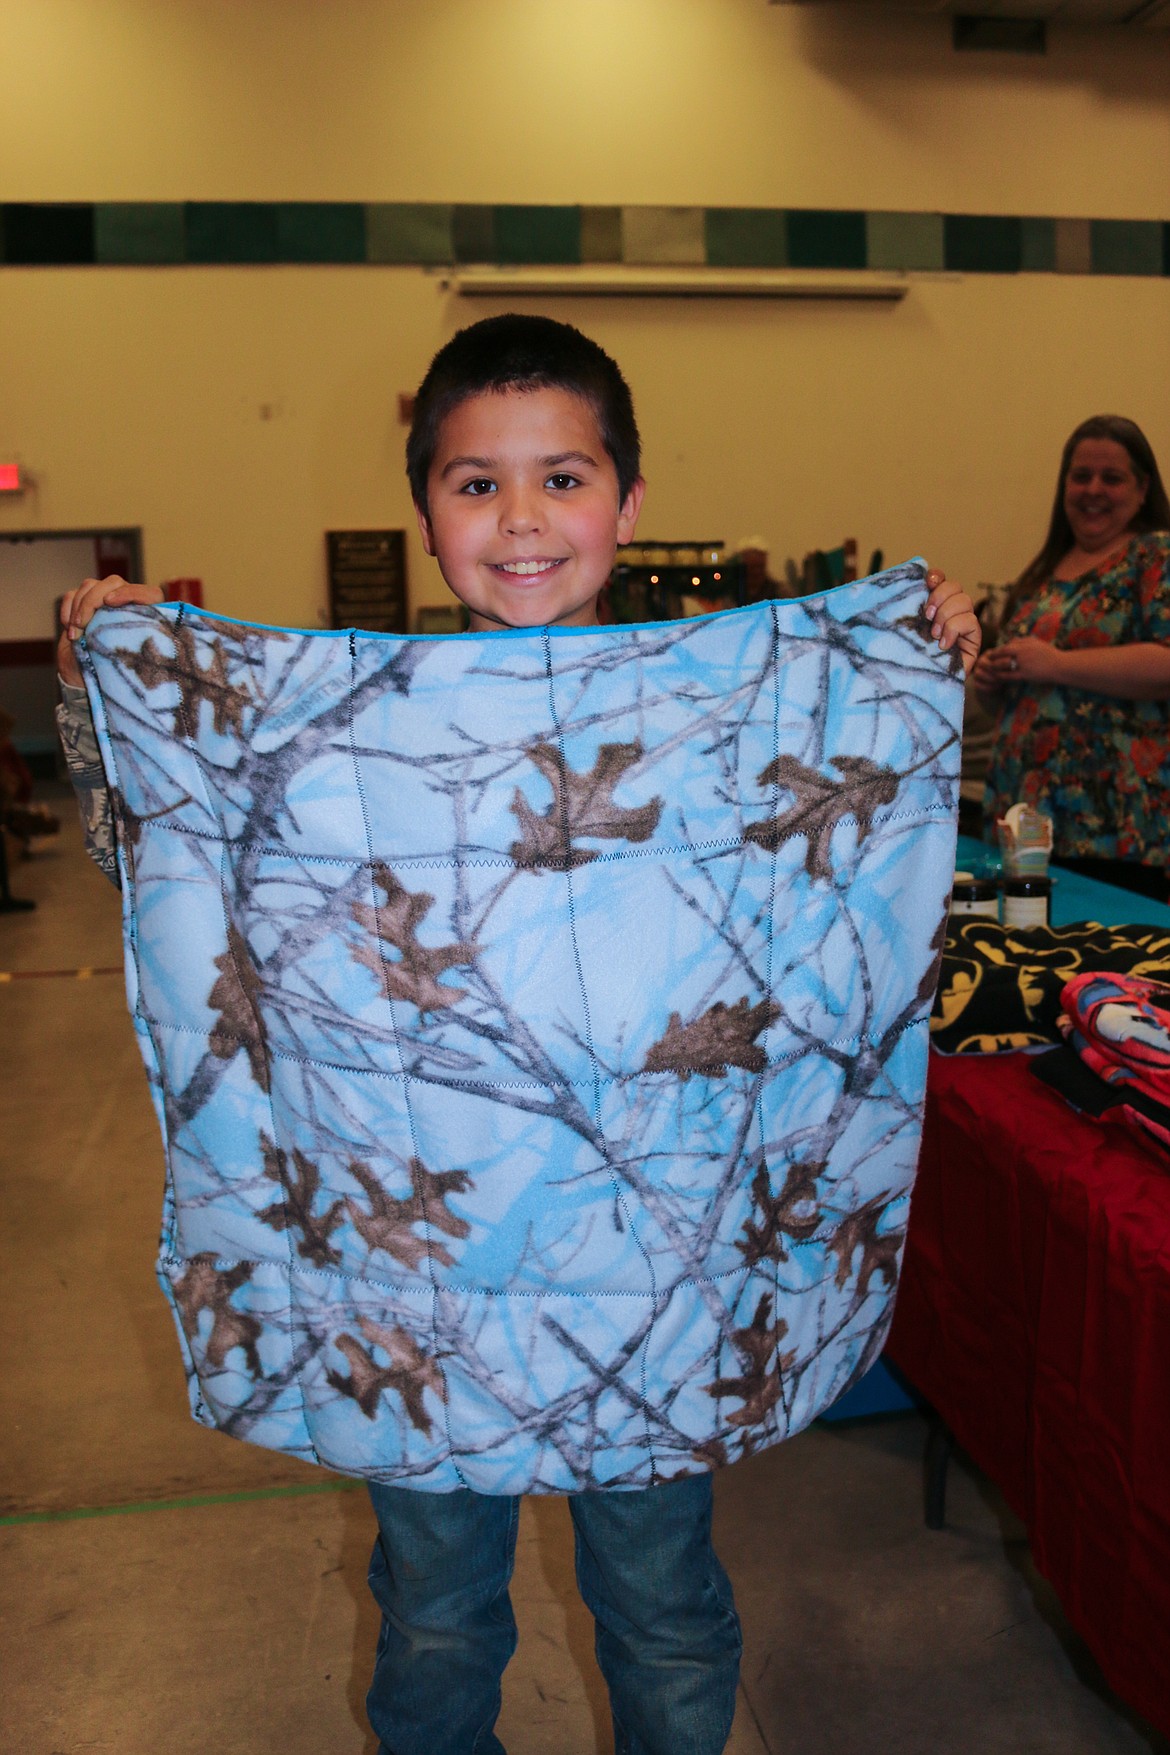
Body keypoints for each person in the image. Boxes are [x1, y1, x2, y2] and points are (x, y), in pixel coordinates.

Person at [56, 313, 980, 1755]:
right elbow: (186, 876)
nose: (523, 518)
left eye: (563, 476)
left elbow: (842, 862)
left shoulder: (719, 724)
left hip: (643, 1281)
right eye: (476, 483)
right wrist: (109, 684)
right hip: (419, 1289)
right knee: (433, 1610)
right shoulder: (346, 739)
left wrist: (919, 658)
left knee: (665, 1604)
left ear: (627, 501)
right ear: (425, 515)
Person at [975, 415, 1170, 899]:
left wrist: (1055, 664)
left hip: (1115, 832)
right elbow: (1023, 693)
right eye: (1080, 476)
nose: (1093, 489)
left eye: (1112, 477)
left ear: (1143, 488)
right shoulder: (1044, 570)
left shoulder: (1155, 556)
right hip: (1026, 825)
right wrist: (991, 677)